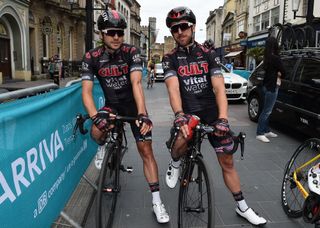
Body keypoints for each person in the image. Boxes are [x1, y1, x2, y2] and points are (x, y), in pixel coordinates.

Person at [162, 6, 267, 226]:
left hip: (211, 113)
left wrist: (223, 118)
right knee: (181, 138)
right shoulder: (170, 57)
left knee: (227, 162)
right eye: (174, 29)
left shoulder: (208, 54)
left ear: (192, 27)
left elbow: (219, 88)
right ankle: (175, 162)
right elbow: (172, 89)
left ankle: (242, 207)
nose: (179, 32)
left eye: (183, 27)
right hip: (188, 112)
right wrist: (179, 115)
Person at [81, 9, 169, 224]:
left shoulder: (131, 51)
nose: (117, 37)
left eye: (120, 32)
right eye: (111, 32)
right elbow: (86, 92)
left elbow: (137, 83)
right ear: (101, 33)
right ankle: (103, 147)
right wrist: (95, 117)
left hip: (133, 107)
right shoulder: (91, 57)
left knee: (146, 150)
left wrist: (142, 113)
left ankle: (157, 201)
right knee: (95, 131)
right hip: (112, 106)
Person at [256, 37, 285, 143]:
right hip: (272, 86)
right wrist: (280, 73)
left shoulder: (266, 57)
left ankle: (266, 130)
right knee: (267, 111)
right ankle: (260, 133)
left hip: (266, 86)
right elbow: (284, 71)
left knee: (267, 109)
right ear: (275, 45)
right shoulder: (276, 58)